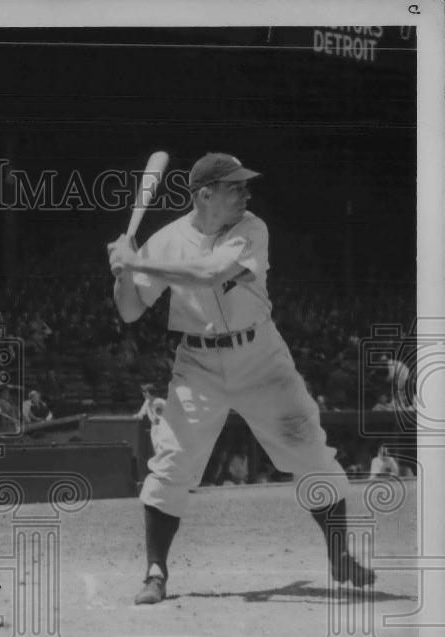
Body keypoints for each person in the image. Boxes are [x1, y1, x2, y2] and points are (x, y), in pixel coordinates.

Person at [107, 152, 374, 605]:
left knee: (309, 447)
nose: (246, 193)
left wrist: (137, 265)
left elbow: (211, 274)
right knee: (172, 461)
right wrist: (121, 272)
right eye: (236, 187)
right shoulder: (166, 241)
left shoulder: (252, 228)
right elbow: (130, 311)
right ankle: (155, 569)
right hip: (198, 364)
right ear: (205, 194)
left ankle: (339, 553)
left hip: (261, 357)